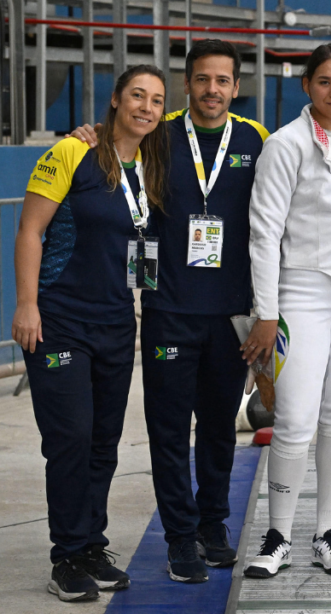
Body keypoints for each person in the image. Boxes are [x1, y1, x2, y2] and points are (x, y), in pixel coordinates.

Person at [69, 40, 270, 583]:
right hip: (169, 309)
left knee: (220, 430)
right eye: (202, 79)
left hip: (231, 314)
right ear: (188, 84)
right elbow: (112, 142)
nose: (212, 89)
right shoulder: (159, 132)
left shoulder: (255, 138)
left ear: (236, 86)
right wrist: (85, 134)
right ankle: (180, 537)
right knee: (169, 431)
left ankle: (212, 526)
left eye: (222, 80)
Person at [15, 65, 169, 602]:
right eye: (137, 95)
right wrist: (27, 305)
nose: (146, 107)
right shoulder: (71, 152)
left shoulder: (149, 165)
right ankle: (66, 556)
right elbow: (29, 230)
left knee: (104, 441)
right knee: (71, 439)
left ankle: (90, 546)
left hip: (115, 322)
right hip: (59, 321)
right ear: (115, 99)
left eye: (156, 100)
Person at [241, 43, 331, 580]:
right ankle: (277, 535)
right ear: (306, 85)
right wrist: (267, 311)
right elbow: (264, 232)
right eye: (325, 82)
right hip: (302, 291)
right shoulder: (287, 144)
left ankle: (329, 533)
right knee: (296, 419)